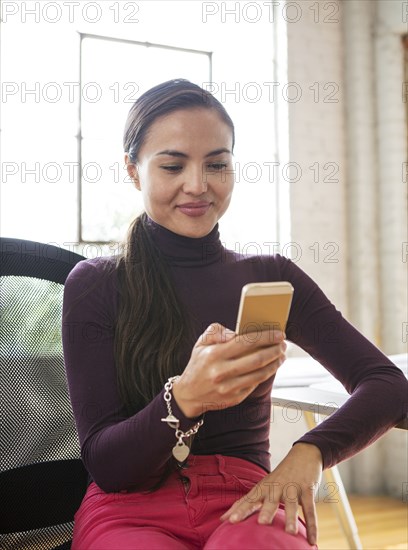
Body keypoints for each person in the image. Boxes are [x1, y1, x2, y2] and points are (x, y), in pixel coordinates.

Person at [62, 79, 408, 550]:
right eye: (172, 165)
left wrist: (311, 452)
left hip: (250, 499)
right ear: (133, 170)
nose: (198, 185)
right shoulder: (96, 284)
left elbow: (387, 384)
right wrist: (185, 398)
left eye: (217, 164)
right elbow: (108, 466)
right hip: (130, 508)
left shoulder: (271, 275)